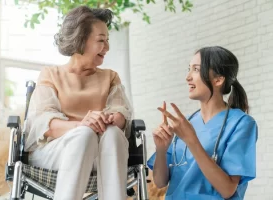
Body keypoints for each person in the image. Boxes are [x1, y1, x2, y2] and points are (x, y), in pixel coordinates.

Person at [24, 6, 133, 200]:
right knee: (84, 134)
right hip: (55, 152)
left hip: (101, 154)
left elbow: (120, 113)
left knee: (113, 132)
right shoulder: (51, 74)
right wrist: (82, 125)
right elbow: (43, 123)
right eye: (101, 40)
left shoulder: (110, 77)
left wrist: (111, 118)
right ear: (81, 40)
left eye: (107, 40)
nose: (107, 47)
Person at [147, 46, 258, 200]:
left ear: (218, 79)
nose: (187, 77)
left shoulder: (241, 124)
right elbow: (160, 182)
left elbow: (228, 190)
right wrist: (161, 149)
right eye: (189, 69)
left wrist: (191, 140)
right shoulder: (186, 124)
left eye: (196, 70)